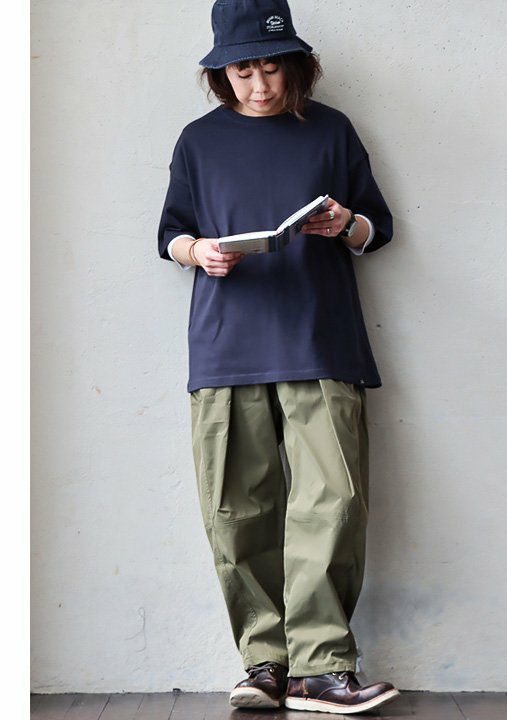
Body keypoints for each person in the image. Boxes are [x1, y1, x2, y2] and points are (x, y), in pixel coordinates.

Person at [156, 0, 399, 714]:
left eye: (271, 68)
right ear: (220, 75)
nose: (259, 85)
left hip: (322, 340)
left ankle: (321, 668)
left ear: (296, 66)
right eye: (243, 72)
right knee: (237, 509)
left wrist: (344, 223)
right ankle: (264, 663)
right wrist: (198, 251)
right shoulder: (198, 142)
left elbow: (377, 228)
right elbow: (170, 233)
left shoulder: (331, 130)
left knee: (336, 502)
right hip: (227, 346)